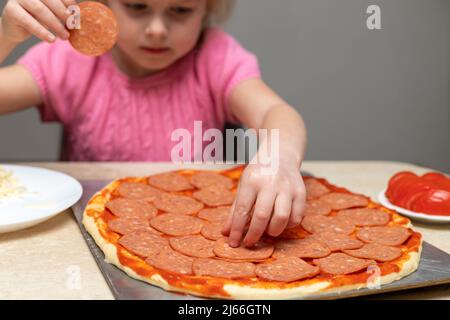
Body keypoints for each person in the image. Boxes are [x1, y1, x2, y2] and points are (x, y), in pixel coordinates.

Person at [0, 0, 307, 248]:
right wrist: (5, 36)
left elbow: (275, 112)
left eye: (180, 10)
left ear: (207, 9)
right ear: (104, 5)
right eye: (137, 6)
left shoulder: (215, 58)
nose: (157, 29)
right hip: (82, 242)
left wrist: (279, 159)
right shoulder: (69, 62)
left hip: (198, 239)